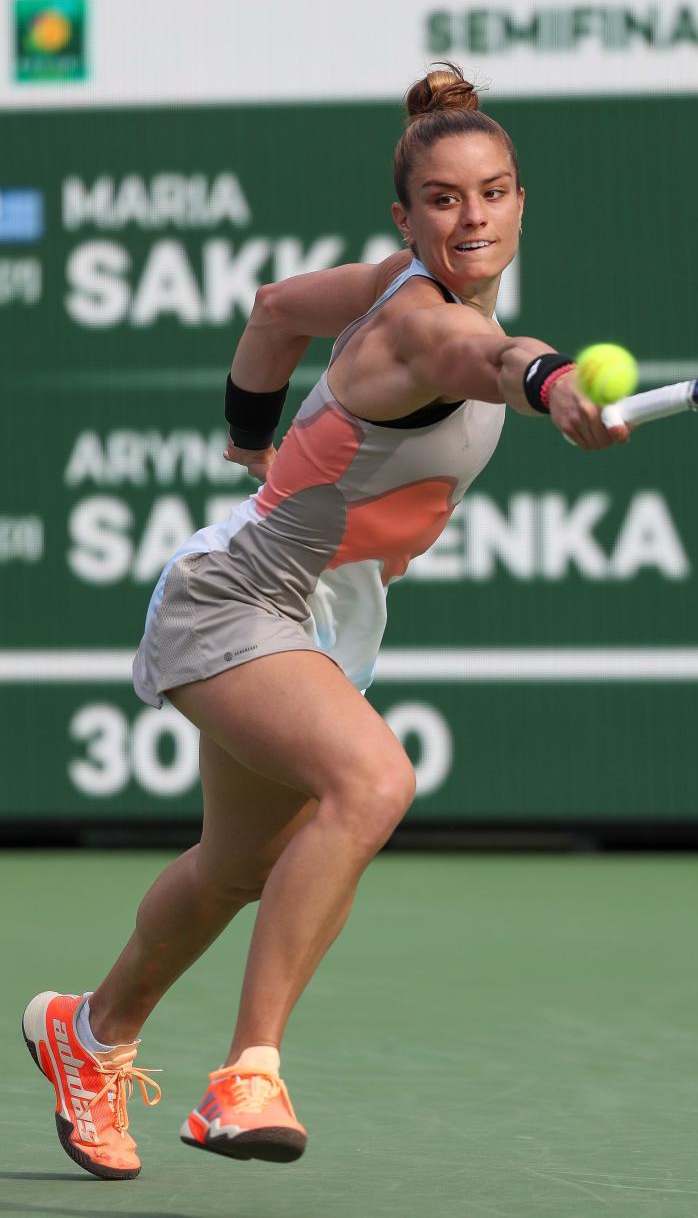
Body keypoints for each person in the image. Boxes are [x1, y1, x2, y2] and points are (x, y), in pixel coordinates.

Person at [22, 63, 628, 1180]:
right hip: (235, 604)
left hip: (317, 627)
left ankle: (89, 1034)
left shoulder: (401, 275)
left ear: (521, 200)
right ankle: (248, 1074)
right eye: (443, 200)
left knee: (230, 869)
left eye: (493, 192)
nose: (473, 218)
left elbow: (273, 313)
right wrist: (548, 382)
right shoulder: (420, 325)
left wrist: (248, 438)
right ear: (407, 216)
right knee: (374, 784)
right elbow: (482, 357)